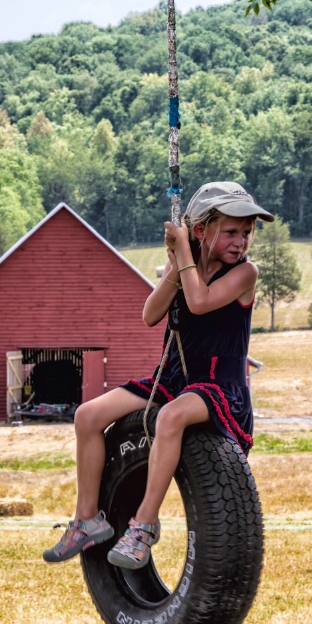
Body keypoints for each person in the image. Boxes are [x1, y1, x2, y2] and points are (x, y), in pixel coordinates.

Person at [43, 181, 274, 570]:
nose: (241, 242)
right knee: (88, 415)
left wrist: (183, 253)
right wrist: (175, 263)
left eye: (247, 233)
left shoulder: (244, 273)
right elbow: (150, 315)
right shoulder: (185, 269)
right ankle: (88, 520)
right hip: (172, 379)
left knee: (170, 417)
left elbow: (199, 304)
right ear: (202, 230)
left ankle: (144, 525)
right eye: (232, 232)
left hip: (218, 384)